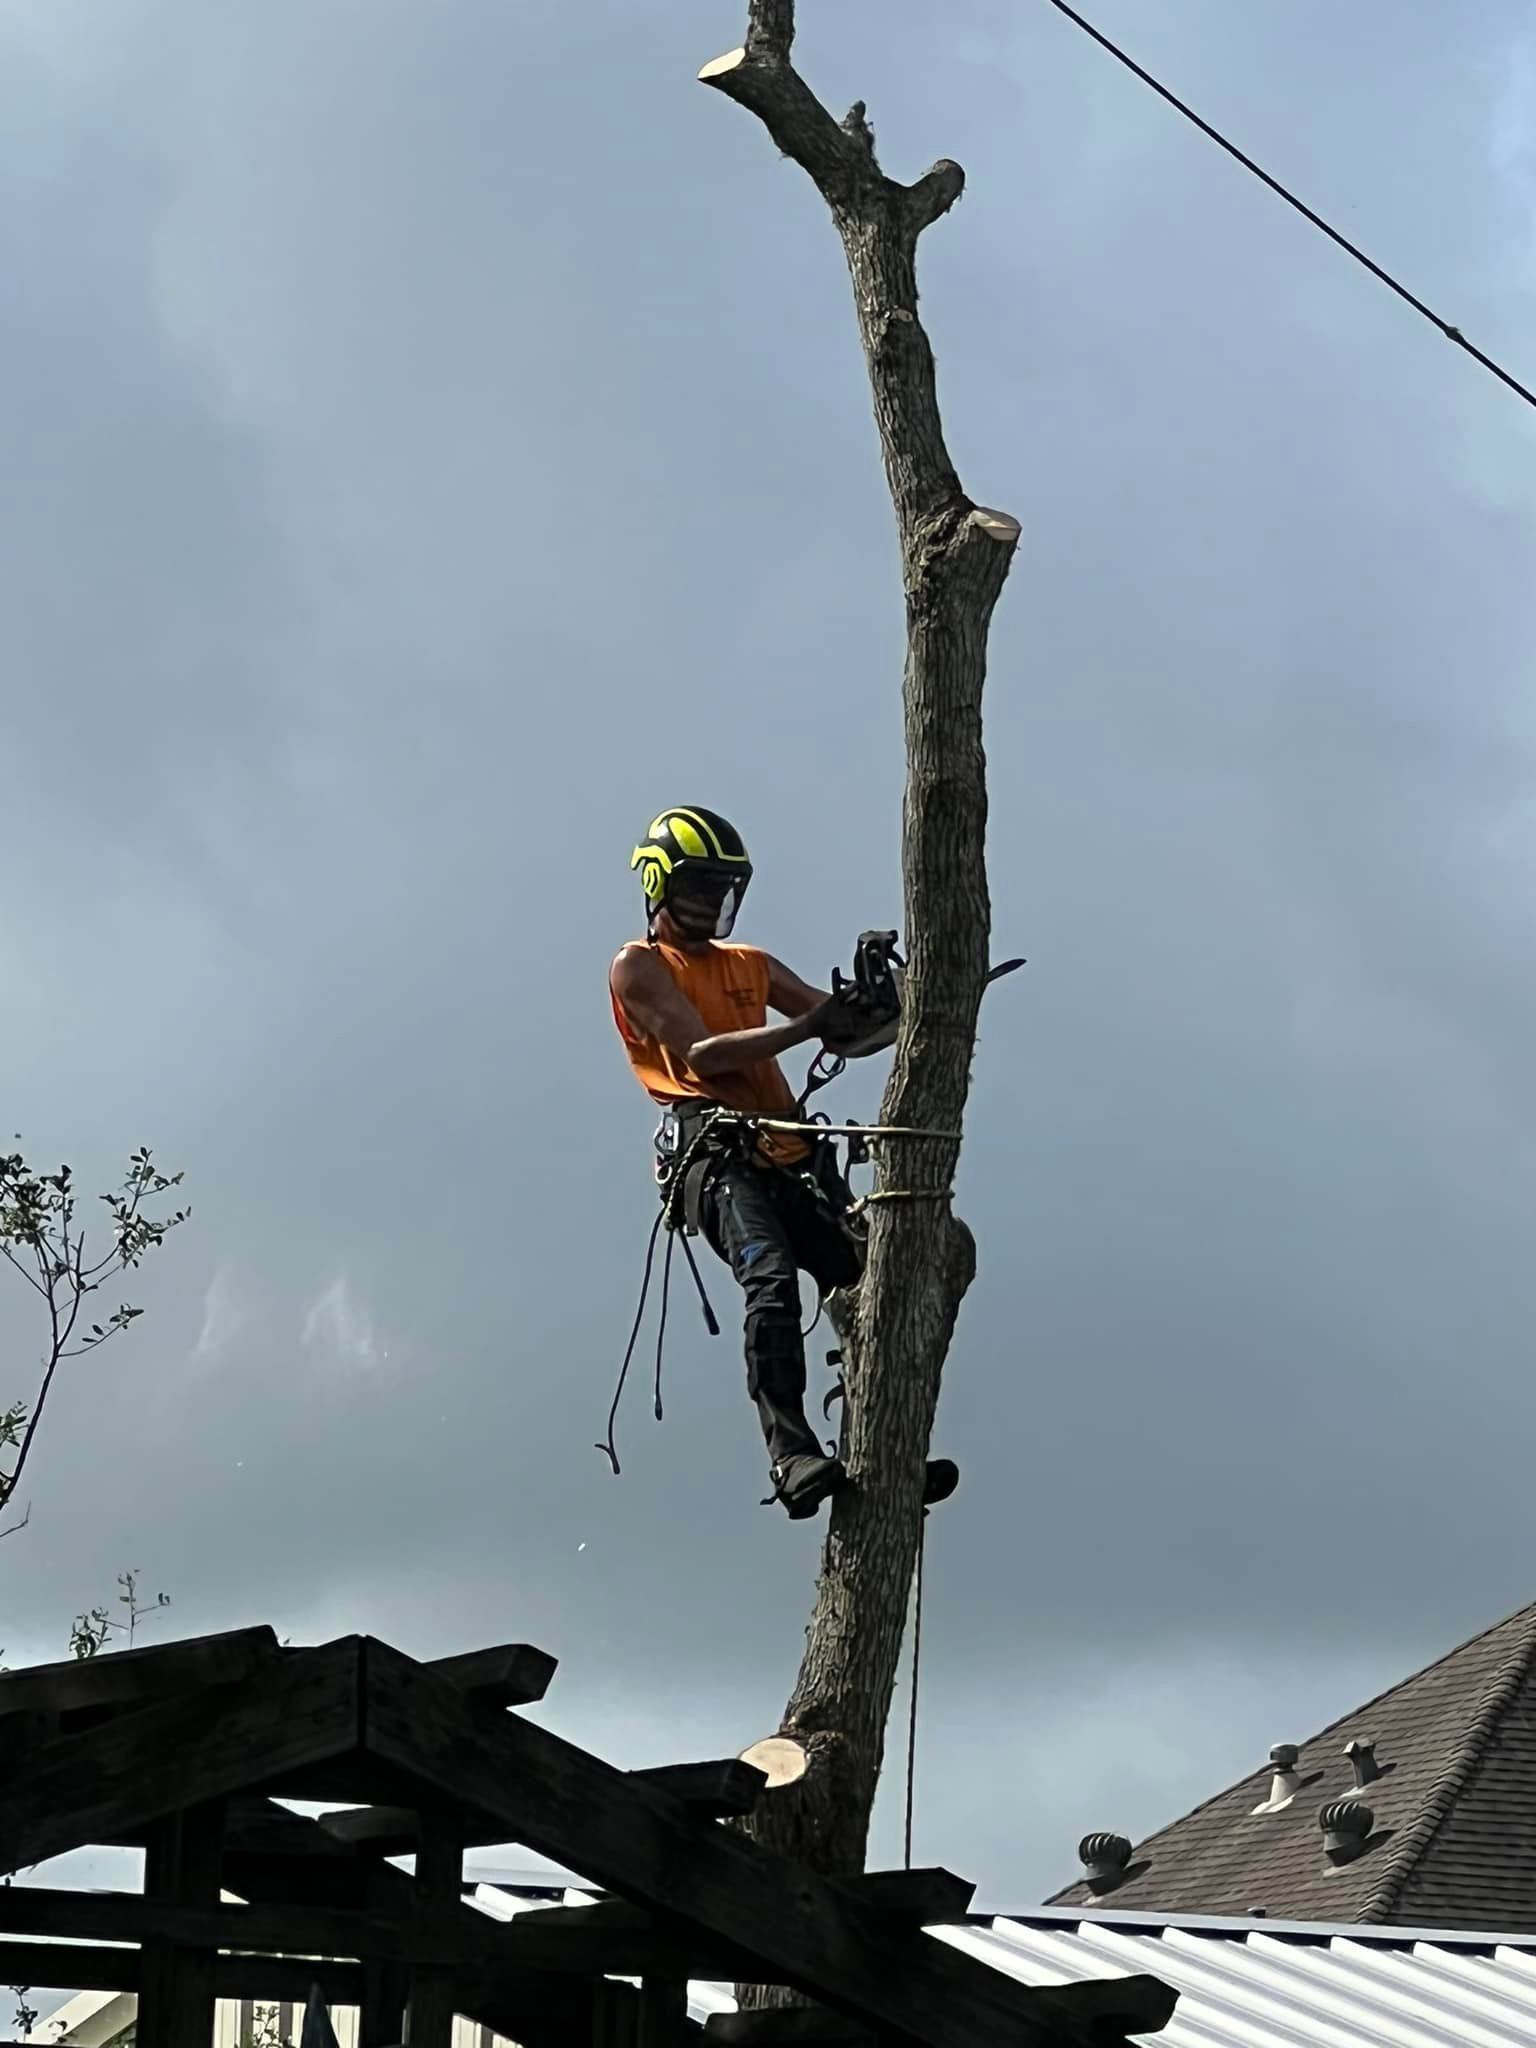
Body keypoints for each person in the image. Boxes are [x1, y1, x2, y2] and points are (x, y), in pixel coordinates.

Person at [609, 805, 958, 1521]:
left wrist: (879, 999)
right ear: (659, 885)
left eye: (720, 892)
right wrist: (809, 1026)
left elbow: (844, 1029)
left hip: (791, 1150)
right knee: (768, 1279)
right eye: (696, 890)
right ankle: (792, 1453)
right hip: (719, 1152)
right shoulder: (641, 966)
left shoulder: (750, 966)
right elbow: (701, 1055)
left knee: (873, 1283)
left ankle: (887, 1449)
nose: (709, 906)